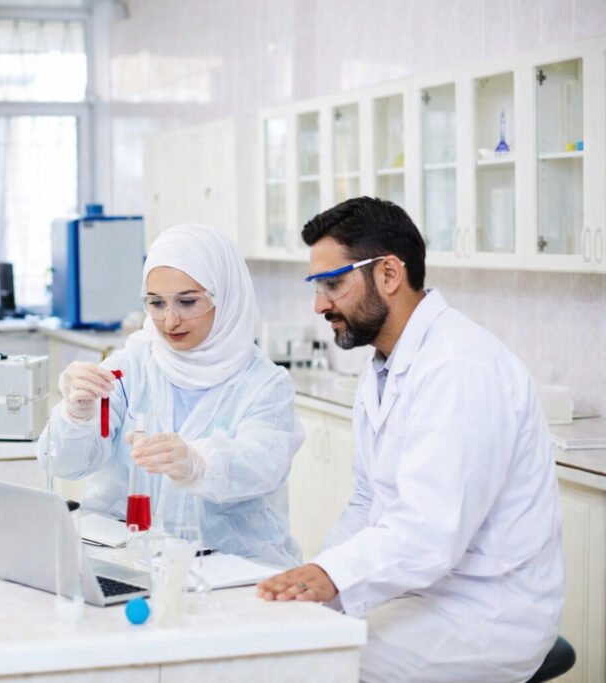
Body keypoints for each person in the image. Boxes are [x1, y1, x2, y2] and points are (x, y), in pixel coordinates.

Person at [256, 197, 564, 682]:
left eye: (332, 284)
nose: (320, 305)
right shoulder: (386, 364)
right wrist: (316, 580)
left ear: (389, 274)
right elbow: (367, 501)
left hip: (485, 612)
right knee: (294, 637)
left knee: (317, 665)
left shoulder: (458, 368)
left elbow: (429, 530)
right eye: (317, 287)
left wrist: (333, 577)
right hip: (419, 592)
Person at [38, 223, 303, 565]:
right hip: (126, 556)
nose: (170, 321)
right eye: (156, 303)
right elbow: (63, 464)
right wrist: (75, 416)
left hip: (232, 568)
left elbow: (262, 466)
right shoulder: (130, 366)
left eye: (187, 302)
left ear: (225, 296)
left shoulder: (264, 384)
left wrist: (198, 463)